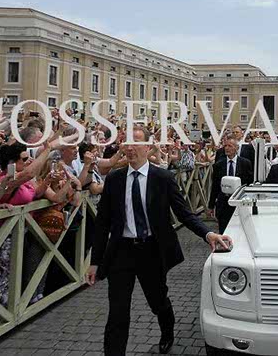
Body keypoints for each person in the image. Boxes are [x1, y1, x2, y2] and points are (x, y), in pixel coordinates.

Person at [86, 126, 231, 356]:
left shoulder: (162, 178)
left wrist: (208, 234)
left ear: (148, 146)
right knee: (117, 312)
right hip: (121, 252)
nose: (130, 148)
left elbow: (184, 213)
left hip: (151, 250)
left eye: (136, 143)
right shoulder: (114, 179)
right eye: (127, 143)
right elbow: (103, 222)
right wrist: (95, 262)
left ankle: (167, 330)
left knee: (157, 300)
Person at [208, 137, 253, 234]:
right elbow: (215, 186)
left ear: (236, 148)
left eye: (230, 146)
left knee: (239, 231)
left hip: (240, 203)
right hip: (223, 204)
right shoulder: (218, 165)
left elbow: (249, 184)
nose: (227, 148)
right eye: (225, 146)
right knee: (223, 231)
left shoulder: (245, 163)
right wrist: (211, 206)